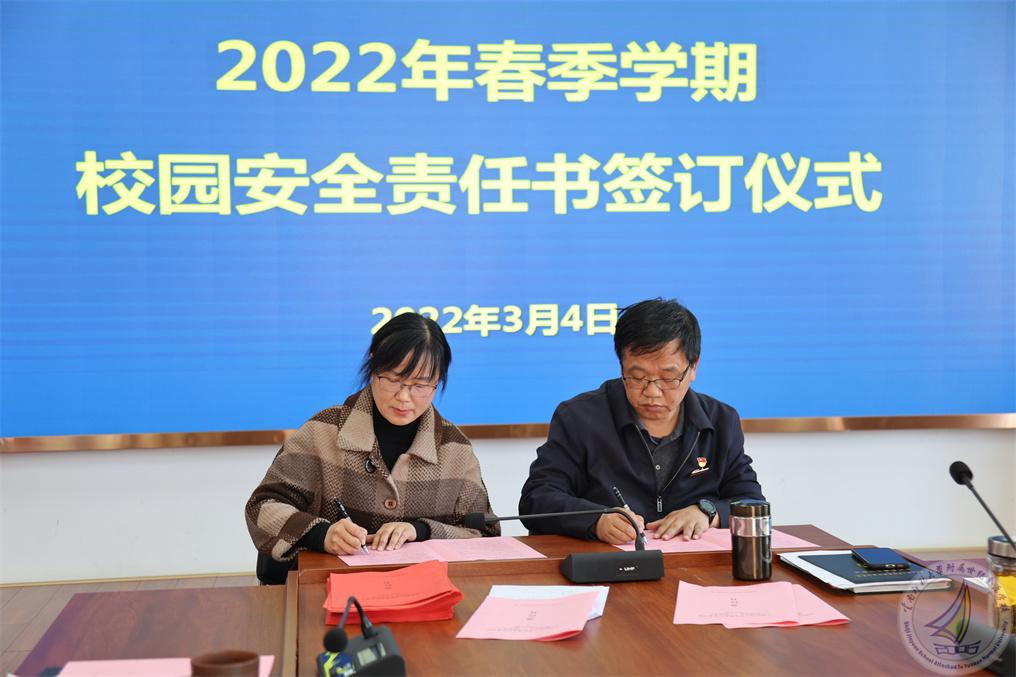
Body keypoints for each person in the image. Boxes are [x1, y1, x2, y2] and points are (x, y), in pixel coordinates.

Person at [246, 313, 498, 583]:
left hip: (425, 592)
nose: (404, 396)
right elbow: (262, 506)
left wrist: (422, 530)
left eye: (420, 385)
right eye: (393, 380)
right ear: (374, 364)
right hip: (328, 589)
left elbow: (485, 535)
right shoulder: (323, 432)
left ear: (438, 380)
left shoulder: (455, 450)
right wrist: (321, 534)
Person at [519, 298, 763, 545]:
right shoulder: (579, 418)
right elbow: (537, 498)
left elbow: (752, 502)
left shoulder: (721, 421)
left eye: (668, 378)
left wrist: (707, 512)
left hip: (693, 561)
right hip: (607, 560)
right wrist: (595, 519)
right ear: (621, 367)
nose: (652, 392)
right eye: (637, 377)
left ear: (693, 367)